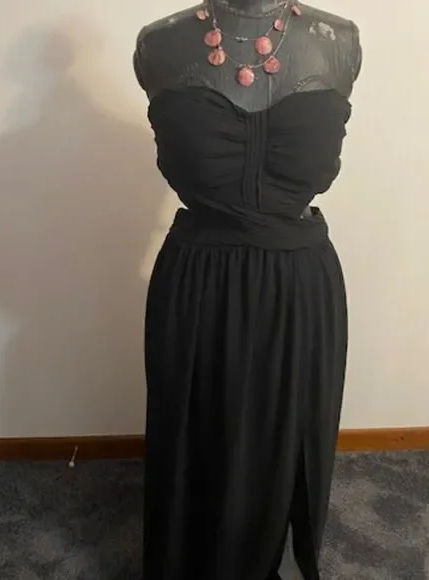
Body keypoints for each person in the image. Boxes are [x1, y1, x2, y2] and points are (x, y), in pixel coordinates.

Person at [134, 1, 362, 578]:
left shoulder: (337, 38)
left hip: (299, 285)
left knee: (285, 436)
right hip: (199, 281)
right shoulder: (160, 42)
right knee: (196, 434)